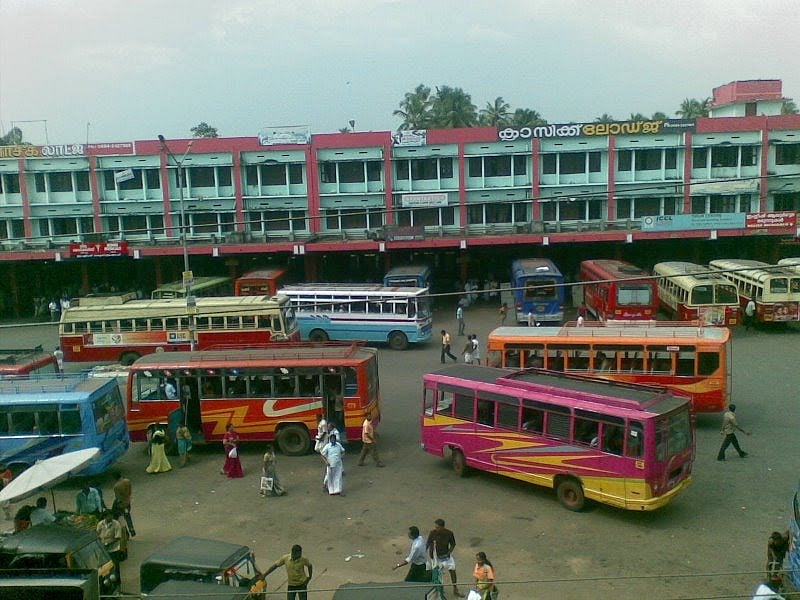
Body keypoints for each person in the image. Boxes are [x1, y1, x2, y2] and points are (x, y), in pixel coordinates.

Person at [427, 518, 463, 599]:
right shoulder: (432, 533)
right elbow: (428, 543)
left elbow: (453, 544)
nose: (436, 529)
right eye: (435, 527)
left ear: (442, 527)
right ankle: (439, 593)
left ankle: (455, 589)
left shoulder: (449, 533)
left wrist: (449, 552)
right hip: (436, 557)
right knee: (438, 576)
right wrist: (429, 553)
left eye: (437, 527)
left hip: (446, 556)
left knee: (452, 571)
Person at [96, 510, 123, 579]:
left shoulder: (116, 524)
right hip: (103, 549)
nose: (111, 517)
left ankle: (117, 581)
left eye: (111, 516)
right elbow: (97, 534)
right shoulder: (100, 524)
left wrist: (108, 543)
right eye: (109, 516)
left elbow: (118, 537)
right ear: (105, 517)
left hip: (114, 549)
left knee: (115, 566)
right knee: (103, 566)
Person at [112, 471, 135, 537]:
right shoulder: (128, 481)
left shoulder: (116, 486)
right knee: (128, 516)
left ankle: (125, 533)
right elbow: (130, 492)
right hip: (127, 502)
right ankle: (131, 529)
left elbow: (118, 498)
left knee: (120, 519)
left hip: (121, 505)